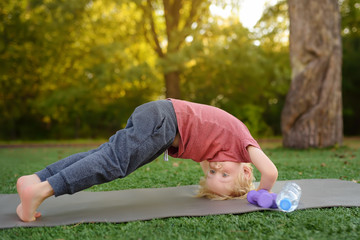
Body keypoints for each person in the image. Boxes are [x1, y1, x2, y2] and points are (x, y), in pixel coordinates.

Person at [16, 99, 278, 222]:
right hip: (163, 122)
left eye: (213, 175)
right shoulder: (245, 147)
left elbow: (205, 142)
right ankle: (41, 191)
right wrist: (259, 193)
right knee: (113, 163)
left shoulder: (220, 153)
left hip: (160, 122)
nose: (216, 170)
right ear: (245, 170)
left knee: (104, 154)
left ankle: (35, 179)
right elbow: (271, 172)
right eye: (224, 175)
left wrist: (221, 182)